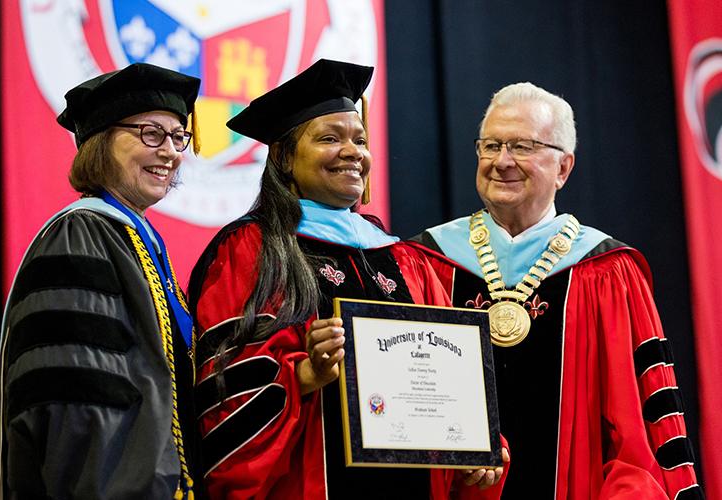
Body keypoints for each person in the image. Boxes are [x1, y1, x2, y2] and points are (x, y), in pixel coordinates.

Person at [188, 59, 507, 500]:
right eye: (329, 138)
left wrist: (480, 443)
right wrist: (303, 374)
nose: (353, 151)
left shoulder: (403, 257)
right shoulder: (253, 249)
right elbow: (227, 389)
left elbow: (450, 379)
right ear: (282, 156)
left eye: (359, 139)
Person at [410, 82, 703, 499]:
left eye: (523, 146)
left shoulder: (608, 271)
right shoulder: (427, 262)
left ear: (563, 168)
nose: (502, 161)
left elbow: (639, 428)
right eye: (491, 145)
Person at [0, 63, 202, 499]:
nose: (170, 152)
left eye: (178, 136)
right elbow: (77, 406)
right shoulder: (81, 237)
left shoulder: (140, 245)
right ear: (101, 143)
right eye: (150, 133)